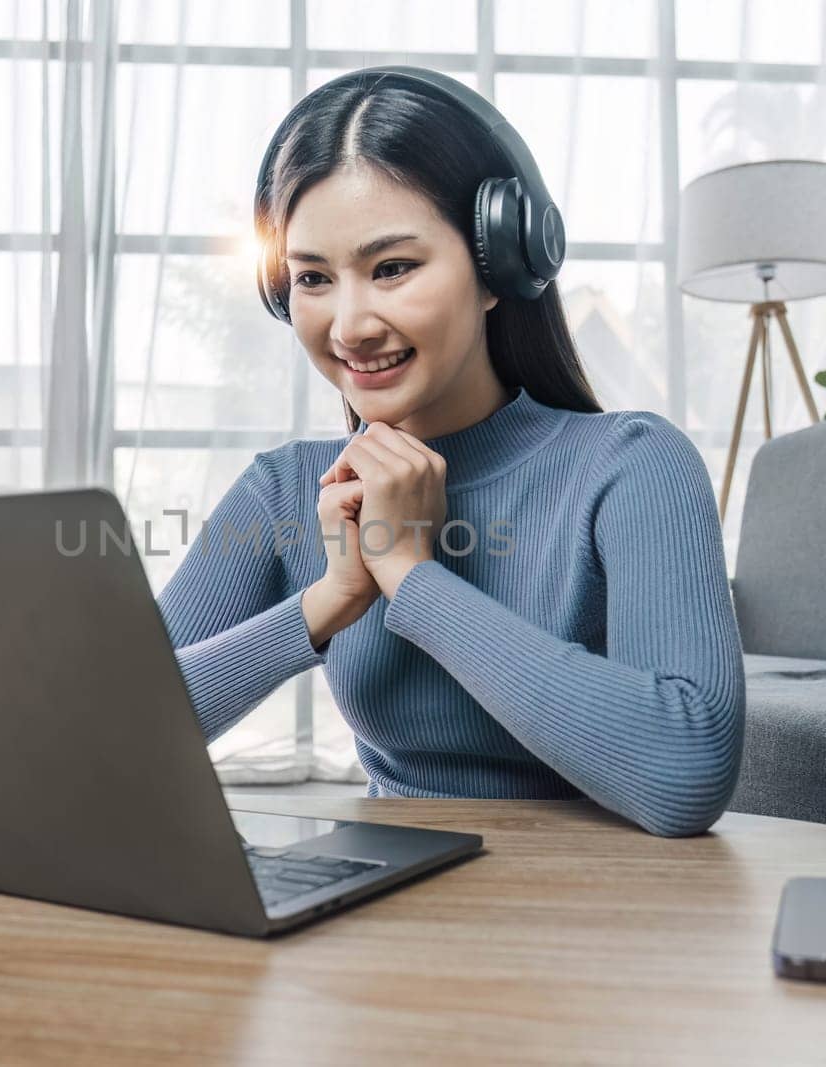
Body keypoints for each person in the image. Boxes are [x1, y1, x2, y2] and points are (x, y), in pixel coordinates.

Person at [155, 67, 745, 837]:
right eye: (313, 278)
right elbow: (102, 735)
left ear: (500, 266)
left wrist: (408, 572)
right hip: (378, 914)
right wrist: (327, 603)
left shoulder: (632, 466)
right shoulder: (283, 490)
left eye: (392, 267)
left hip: (601, 916)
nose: (350, 324)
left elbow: (685, 772)